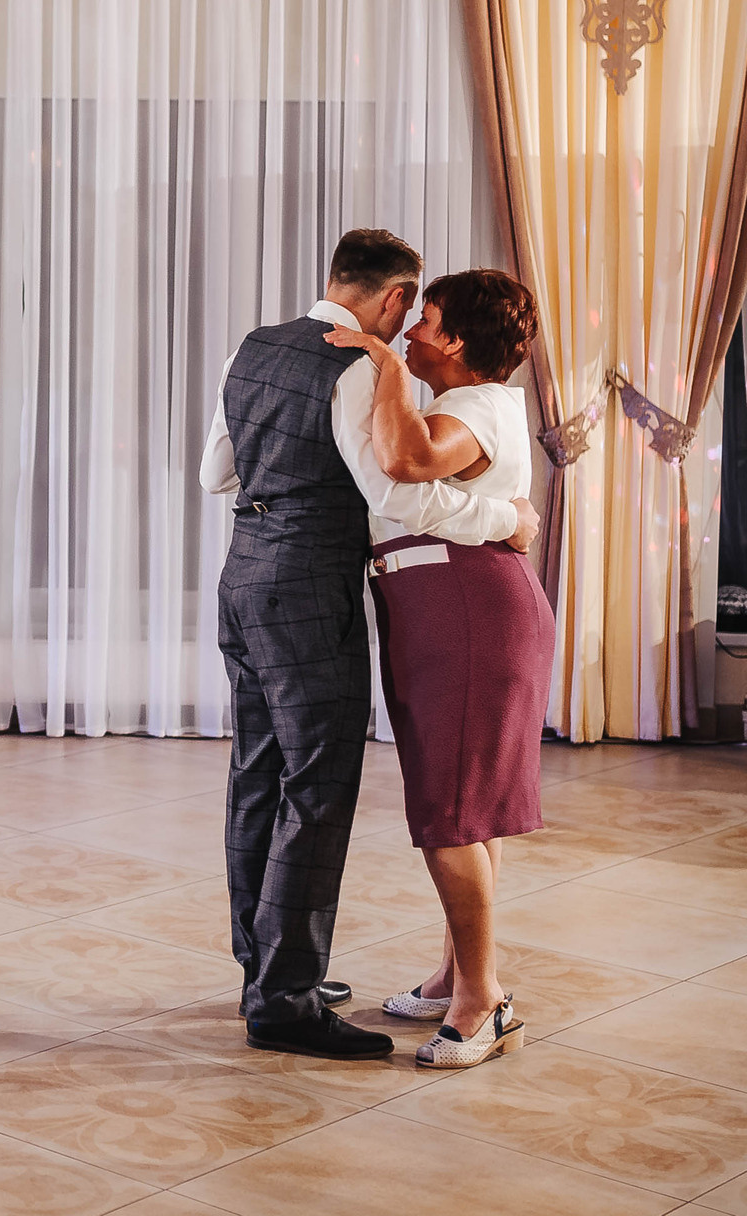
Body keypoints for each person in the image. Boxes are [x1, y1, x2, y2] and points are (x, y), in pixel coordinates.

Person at [198, 229, 539, 1061]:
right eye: (411, 310)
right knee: (316, 790)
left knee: (257, 778)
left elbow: (218, 474)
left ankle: (265, 969)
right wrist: (510, 519)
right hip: (311, 594)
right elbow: (398, 488)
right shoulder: (356, 366)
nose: (411, 326)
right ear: (393, 300)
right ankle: (285, 998)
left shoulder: (257, 346)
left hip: (244, 579)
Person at [326, 267, 555, 1070]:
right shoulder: (467, 402)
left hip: (468, 608)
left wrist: (382, 367)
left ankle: (482, 1002)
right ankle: (459, 973)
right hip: (454, 605)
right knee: (469, 809)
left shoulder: (475, 406)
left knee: (451, 813)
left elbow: (410, 462)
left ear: (458, 340)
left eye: (425, 320)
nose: (411, 330)